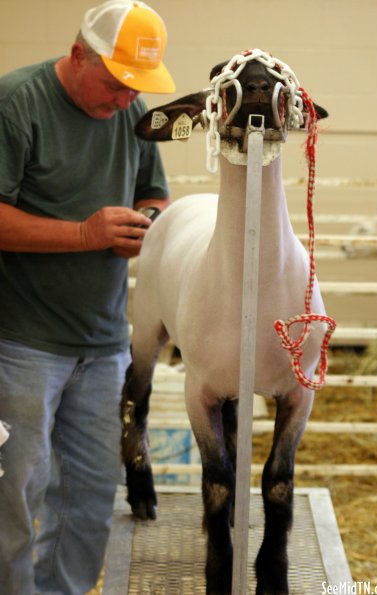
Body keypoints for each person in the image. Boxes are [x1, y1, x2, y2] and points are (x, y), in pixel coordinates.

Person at [0, 1, 175, 593]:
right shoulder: (15, 103)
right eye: (116, 83)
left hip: (103, 345)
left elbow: (156, 192)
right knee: (14, 496)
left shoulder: (132, 110)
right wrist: (85, 234)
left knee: (90, 499)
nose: (127, 99)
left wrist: (144, 224)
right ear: (79, 55)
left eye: (137, 88)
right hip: (20, 341)